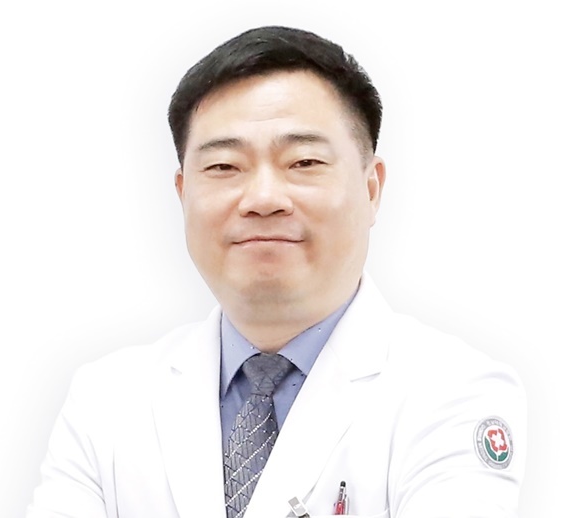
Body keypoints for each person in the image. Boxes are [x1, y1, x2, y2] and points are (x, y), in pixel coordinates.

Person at [27, 26, 526, 518]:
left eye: (303, 162)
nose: (263, 198)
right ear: (183, 194)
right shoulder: (106, 400)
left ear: (371, 188)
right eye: (224, 167)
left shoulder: (455, 391)